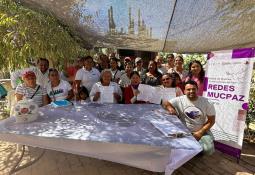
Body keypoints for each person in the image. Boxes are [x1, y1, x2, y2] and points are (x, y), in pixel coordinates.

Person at [163, 80, 215, 155]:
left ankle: (197, 153)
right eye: (188, 89)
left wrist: (200, 132)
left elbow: (211, 121)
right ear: (184, 91)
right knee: (169, 144)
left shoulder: (207, 102)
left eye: (193, 89)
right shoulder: (179, 99)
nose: (191, 91)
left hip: (200, 130)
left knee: (208, 150)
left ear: (197, 90)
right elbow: (166, 103)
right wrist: (170, 109)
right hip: (183, 130)